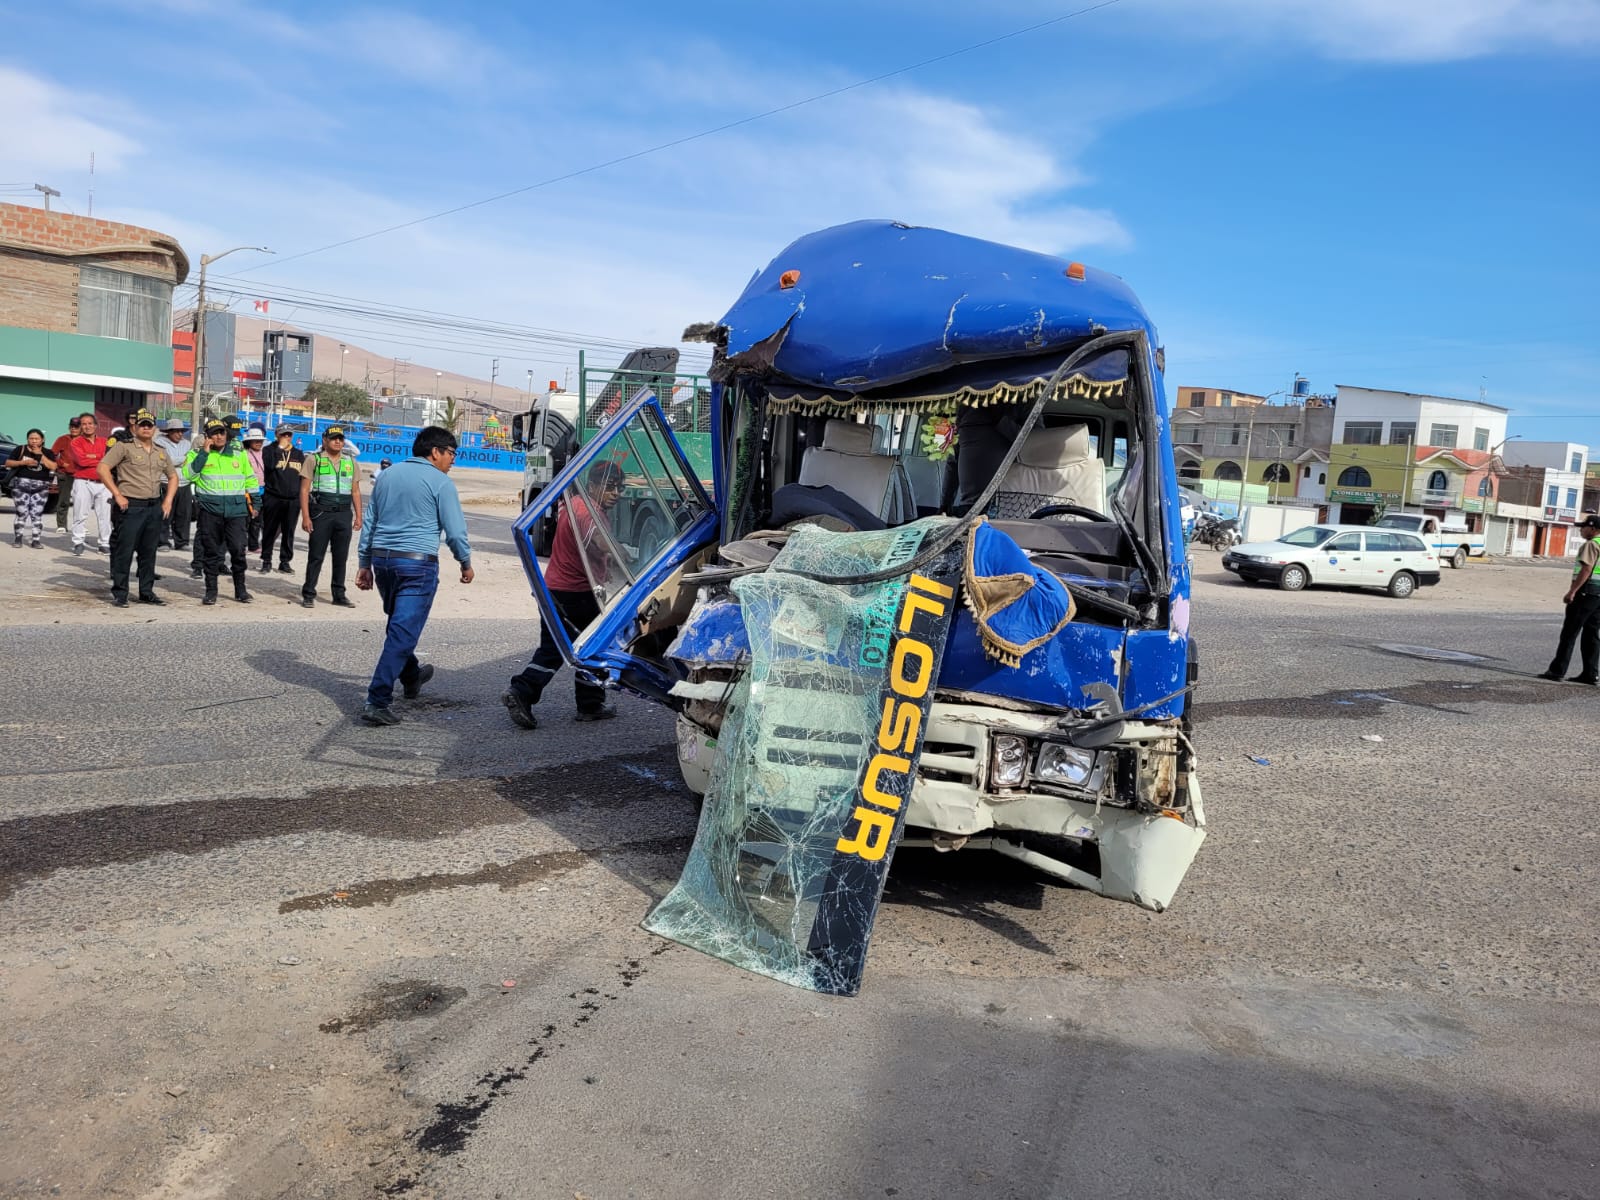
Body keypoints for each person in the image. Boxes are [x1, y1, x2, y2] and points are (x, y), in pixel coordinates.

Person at [355, 426, 473, 725]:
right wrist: (465, 562)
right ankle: (377, 699)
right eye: (451, 453)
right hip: (416, 566)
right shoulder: (441, 482)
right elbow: (455, 532)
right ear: (435, 452)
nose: (453, 460)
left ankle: (411, 675)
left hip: (383, 562)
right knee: (402, 631)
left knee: (398, 625)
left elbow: (370, 521)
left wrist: (364, 562)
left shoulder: (387, 476)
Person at [501, 459, 624, 729]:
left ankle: (528, 693)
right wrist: (623, 554)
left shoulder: (575, 504)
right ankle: (531, 693)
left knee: (553, 649)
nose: (616, 493)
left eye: (619, 488)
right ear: (593, 486)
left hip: (555, 589)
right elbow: (601, 542)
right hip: (577, 594)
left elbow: (586, 550)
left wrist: (606, 568)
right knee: (593, 646)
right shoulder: (589, 512)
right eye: (610, 487)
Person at [97, 409, 178, 607]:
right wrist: (117, 494)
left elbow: (173, 476)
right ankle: (120, 593)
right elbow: (102, 468)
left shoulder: (160, 451)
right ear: (135, 427)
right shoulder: (124, 447)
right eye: (142, 425)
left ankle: (146, 592)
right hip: (131, 506)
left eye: (149, 425)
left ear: (154, 428)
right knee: (124, 551)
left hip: (153, 507)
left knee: (148, 552)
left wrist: (168, 500)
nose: (146, 428)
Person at [183, 419, 255, 605]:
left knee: (238, 550)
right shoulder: (195, 454)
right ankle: (211, 591)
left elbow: (250, 478)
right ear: (207, 437)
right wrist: (204, 454)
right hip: (210, 511)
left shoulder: (239, 454)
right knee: (211, 552)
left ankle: (241, 590)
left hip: (236, 511)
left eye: (221, 432)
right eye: (214, 433)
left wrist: (256, 502)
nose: (219, 436)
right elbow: (189, 475)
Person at [299, 425, 362, 608]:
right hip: (321, 513)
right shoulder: (314, 459)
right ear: (325, 440)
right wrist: (305, 517)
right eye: (334, 438)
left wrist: (359, 516)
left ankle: (339, 595)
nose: (337, 442)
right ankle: (309, 593)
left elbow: (356, 491)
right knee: (316, 555)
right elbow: (304, 490)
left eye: (340, 439)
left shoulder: (350, 462)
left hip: (343, 513)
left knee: (341, 556)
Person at [1539, 513, 1600, 687]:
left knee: (1569, 633)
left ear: (1592, 528)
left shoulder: (1591, 544)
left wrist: (1572, 591)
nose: (1581, 530)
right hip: (1598, 595)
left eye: (1583, 527)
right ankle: (1590, 673)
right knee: (1591, 634)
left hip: (1585, 593)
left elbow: (1586, 569)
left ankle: (1557, 671)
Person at [61, 412, 112, 555]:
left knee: (105, 515)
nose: (87, 426)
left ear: (96, 425)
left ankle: (104, 543)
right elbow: (81, 461)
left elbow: (110, 460)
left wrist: (93, 457)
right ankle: (78, 542)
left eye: (90, 423)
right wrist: (100, 458)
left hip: (104, 482)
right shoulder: (76, 442)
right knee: (80, 513)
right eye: (84, 424)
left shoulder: (105, 441)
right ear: (80, 427)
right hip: (83, 482)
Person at [259, 426, 304, 573]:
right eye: (283, 435)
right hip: (273, 496)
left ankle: (285, 561)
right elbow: (269, 465)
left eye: (289, 435)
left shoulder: (298, 453)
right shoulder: (269, 450)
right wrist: (279, 449)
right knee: (270, 530)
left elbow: (302, 476)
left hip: (292, 499)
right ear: (277, 435)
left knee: (289, 531)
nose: (287, 438)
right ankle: (266, 560)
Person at [4, 430, 56, 548]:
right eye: (31, 438)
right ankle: (18, 539)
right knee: (21, 512)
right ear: (27, 439)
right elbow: (8, 463)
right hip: (21, 486)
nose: (34, 441)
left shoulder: (48, 452)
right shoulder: (20, 449)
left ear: (42, 440)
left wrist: (40, 454)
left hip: (41, 487)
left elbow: (53, 466)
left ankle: (36, 540)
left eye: (37, 439)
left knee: (37, 514)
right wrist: (24, 462)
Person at [158, 419, 192, 550]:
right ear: (169, 432)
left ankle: (182, 542)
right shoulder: (159, 443)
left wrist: (179, 460)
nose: (180, 434)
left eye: (181, 431)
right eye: (176, 431)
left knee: (183, 514)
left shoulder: (187, 444)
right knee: (165, 513)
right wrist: (183, 459)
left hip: (184, 483)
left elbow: (191, 460)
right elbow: (165, 461)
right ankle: (162, 541)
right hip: (166, 482)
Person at [241, 427, 267, 554]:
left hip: (263, 490)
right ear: (249, 441)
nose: (258, 443)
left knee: (258, 520)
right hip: (248, 491)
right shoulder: (244, 454)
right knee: (246, 519)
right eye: (255, 440)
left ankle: (253, 545)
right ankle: (242, 544)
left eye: (260, 440)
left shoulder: (265, 453)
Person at [50, 416, 78, 533]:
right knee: (64, 500)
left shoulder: (85, 440)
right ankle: (61, 525)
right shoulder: (62, 439)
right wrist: (61, 463)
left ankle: (80, 525)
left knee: (81, 502)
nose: (74, 429)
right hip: (65, 473)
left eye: (76, 427)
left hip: (81, 474)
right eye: (72, 427)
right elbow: (52, 454)